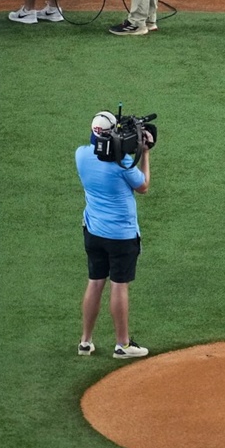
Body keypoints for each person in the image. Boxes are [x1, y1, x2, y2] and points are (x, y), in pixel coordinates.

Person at [75, 110, 152, 359]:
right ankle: (123, 345)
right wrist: (145, 153)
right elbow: (143, 186)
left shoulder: (81, 155)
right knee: (119, 286)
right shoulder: (123, 164)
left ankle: (85, 342)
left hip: (94, 231)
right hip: (121, 235)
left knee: (95, 282)